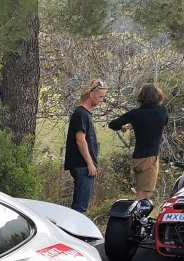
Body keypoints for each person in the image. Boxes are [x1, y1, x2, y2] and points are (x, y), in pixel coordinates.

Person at [108, 83, 169, 200]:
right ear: (158, 96)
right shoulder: (162, 111)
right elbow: (160, 123)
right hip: (150, 159)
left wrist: (128, 125)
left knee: (142, 192)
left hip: (138, 158)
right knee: (144, 195)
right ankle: (134, 218)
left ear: (142, 97)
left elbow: (113, 124)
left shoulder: (135, 113)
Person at [64, 78, 107, 213]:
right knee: (80, 207)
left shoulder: (85, 114)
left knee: (81, 205)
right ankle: (74, 232)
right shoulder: (81, 114)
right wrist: (90, 164)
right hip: (82, 166)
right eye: (100, 97)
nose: (101, 100)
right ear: (91, 94)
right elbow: (80, 140)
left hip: (84, 165)